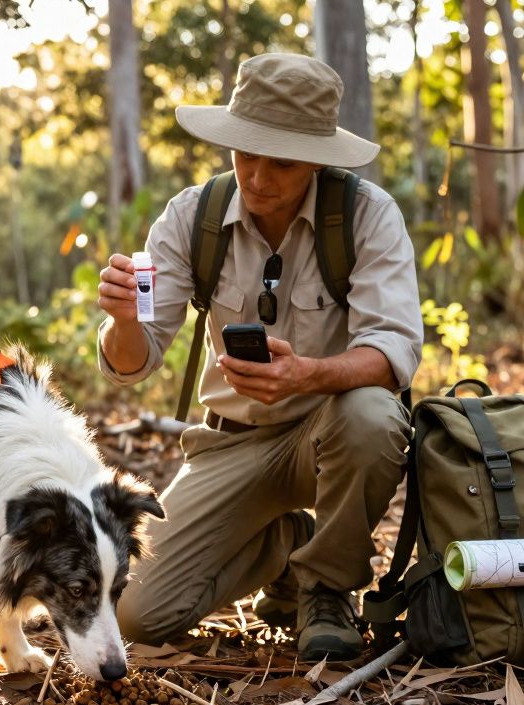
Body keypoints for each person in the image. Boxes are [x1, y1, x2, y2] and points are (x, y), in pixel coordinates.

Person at [96, 53, 423, 661]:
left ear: (319, 160)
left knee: (374, 415)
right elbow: (133, 363)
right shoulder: (193, 218)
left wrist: (309, 373)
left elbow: (393, 349)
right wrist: (123, 320)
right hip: (230, 443)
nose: (258, 175)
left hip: (327, 436)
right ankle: (287, 544)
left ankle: (327, 586)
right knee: (136, 615)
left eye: (282, 161)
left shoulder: (366, 215)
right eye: (244, 151)